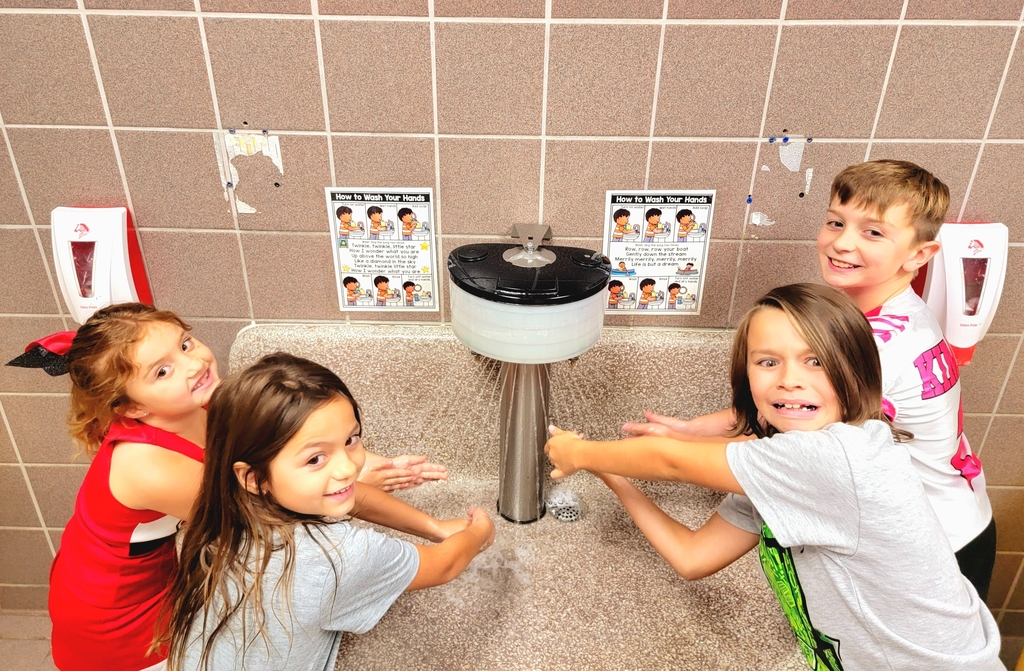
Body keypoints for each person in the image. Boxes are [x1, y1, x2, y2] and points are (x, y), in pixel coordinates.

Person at [546, 284, 1002, 670]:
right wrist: (609, 471)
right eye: (767, 362)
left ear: (858, 371)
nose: (789, 380)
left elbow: (671, 461)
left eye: (815, 361)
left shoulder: (841, 458)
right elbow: (692, 557)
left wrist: (580, 453)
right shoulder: (782, 472)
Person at [627, 160, 996, 599]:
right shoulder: (893, 314)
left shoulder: (878, 347)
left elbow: (790, 449)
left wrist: (653, 455)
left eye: (872, 232)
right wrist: (692, 429)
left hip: (933, 551)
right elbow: (796, 407)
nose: (842, 242)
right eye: (836, 222)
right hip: (956, 515)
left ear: (919, 254)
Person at [159, 353, 494, 671]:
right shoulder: (335, 558)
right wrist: (480, 531)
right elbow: (444, 565)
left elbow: (344, 491)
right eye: (315, 459)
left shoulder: (219, 513)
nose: (348, 468)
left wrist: (434, 526)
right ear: (255, 478)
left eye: (351, 440)